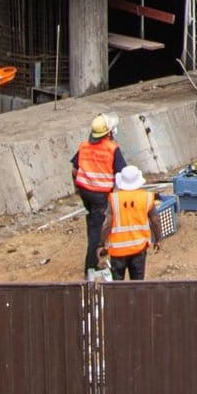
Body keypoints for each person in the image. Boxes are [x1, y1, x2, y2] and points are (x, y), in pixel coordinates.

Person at [70, 112, 128, 282]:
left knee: (93, 221)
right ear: (107, 133)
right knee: (97, 230)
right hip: (100, 195)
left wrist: (77, 188)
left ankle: (95, 253)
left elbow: (74, 170)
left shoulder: (84, 146)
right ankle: (90, 266)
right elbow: (122, 172)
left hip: (85, 192)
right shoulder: (112, 148)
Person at [105, 165, 162, 281]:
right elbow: (155, 221)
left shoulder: (114, 199)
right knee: (137, 284)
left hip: (117, 251)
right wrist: (158, 239)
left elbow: (107, 224)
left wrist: (101, 244)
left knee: (116, 287)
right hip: (138, 248)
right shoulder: (147, 197)